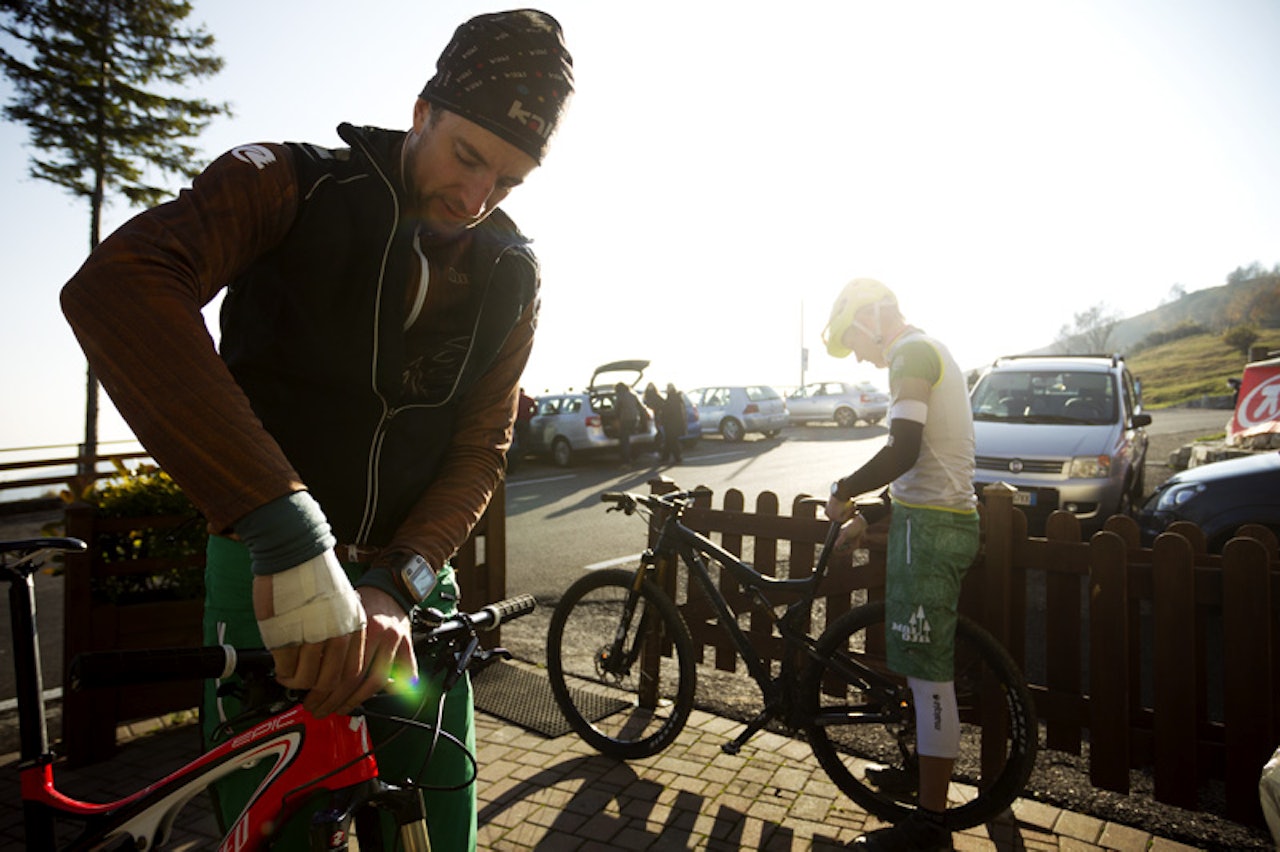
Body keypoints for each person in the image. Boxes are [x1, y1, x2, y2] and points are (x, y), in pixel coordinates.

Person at [59, 10, 573, 850]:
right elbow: (119, 286)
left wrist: (399, 583)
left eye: (508, 182)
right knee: (281, 832)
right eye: (468, 156)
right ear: (422, 112)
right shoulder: (289, 185)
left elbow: (484, 443)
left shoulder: (512, 272)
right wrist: (286, 532)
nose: (475, 200)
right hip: (267, 572)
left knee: (442, 825)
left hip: (410, 591)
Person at [821, 278, 980, 852]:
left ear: (871, 318)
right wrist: (876, 509)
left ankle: (930, 827)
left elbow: (905, 448)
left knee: (930, 676)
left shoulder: (911, 353)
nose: (859, 355)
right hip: (930, 521)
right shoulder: (926, 351)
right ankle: (920, 775)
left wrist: (844, 488)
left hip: (933, 532)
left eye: (852, 340)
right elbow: (928, 463)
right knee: (919, 666)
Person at [614, 381, 643, 465]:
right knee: (631, 437)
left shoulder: (620, 396)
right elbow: (640, 407)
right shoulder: (633, 395)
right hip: (634, 419)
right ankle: (633, 456)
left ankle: (626, 460)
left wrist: (615, 418)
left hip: (625, 419)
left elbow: (616, 409)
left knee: (624, 440)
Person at [659, 382, 687, 463]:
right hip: (675, 423)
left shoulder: (671, 398)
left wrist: (663, 418)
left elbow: (668, 411)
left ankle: (677, 458)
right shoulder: (677, 398)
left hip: (671, 424)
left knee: (672, 441)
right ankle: (665, 457)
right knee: (669, 441)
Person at [643, 381, 665, 455]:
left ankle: (657, 446)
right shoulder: (655, 396)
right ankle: (658, 446)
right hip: (654, 416)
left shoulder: (648, 397)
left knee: (657, 431)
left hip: (655, 416)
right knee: (657, 432)